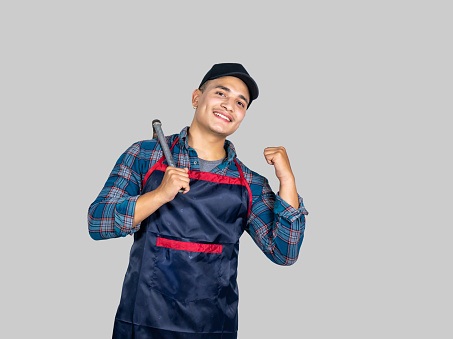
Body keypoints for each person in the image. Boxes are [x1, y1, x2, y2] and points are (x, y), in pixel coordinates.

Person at [88, 63, 309, 339]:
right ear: (196, 97)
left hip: (212, 331)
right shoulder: (145, 155)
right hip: (142, 327)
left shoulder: (249, 183)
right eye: (221, 93)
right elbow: (98, 222)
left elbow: (284, 252)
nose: (229, 105)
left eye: (240, 102)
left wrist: (287, 181)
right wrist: (158, 195)